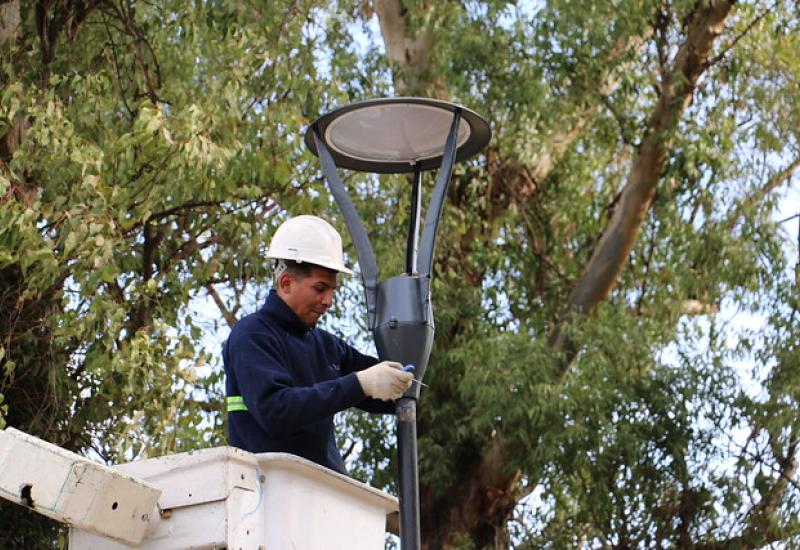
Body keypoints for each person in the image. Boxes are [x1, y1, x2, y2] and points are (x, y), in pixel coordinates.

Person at [223, 215, 413, 474]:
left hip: (322, 486)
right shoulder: (252, 335)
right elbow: (275, 411)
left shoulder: (327, 347)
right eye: (320, 288)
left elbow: (385, 391)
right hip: (269, 486)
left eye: (332, 290)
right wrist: (360, 383)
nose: (328, 301)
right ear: (286, 283)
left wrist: (402, 371)